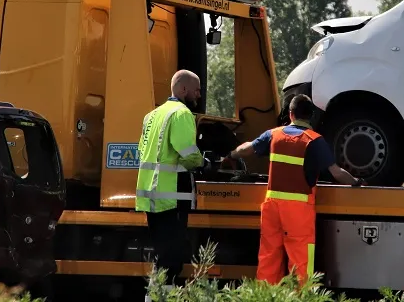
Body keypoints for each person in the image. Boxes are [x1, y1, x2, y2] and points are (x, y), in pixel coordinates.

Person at [221, 93, 365, 285]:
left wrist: (230, 155)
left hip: (272, 208)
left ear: (291, 114)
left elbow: (247, 149)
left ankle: (265, 297)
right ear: (311, 116)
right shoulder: (314, 141)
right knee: (300, 261)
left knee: (268, 257)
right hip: (298, 211)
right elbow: (337, 173)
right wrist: (356, 182)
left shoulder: (273, 135)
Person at [136, 69, 205, 299]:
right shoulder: (181, 114)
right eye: (196, 91)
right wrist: (204, 162)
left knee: (162, 256)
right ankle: (159, 298)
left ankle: (156, 297)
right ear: (183, 89)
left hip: (151, 195)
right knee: (171, 259)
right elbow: (188, 153)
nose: (198, 96)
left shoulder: (152, 115)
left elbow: (142, 152)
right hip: (171, 197)